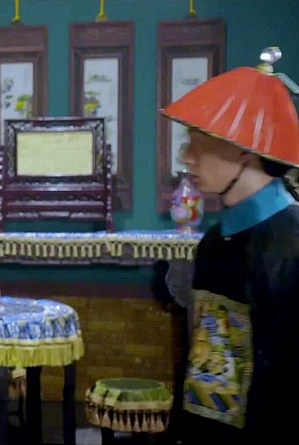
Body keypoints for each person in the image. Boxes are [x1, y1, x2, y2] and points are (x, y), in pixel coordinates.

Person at [161, 47, 299, 444]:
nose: (186, 158)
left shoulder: (291, 244)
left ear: (243, 149)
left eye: (197, 144)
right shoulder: (213, 241)